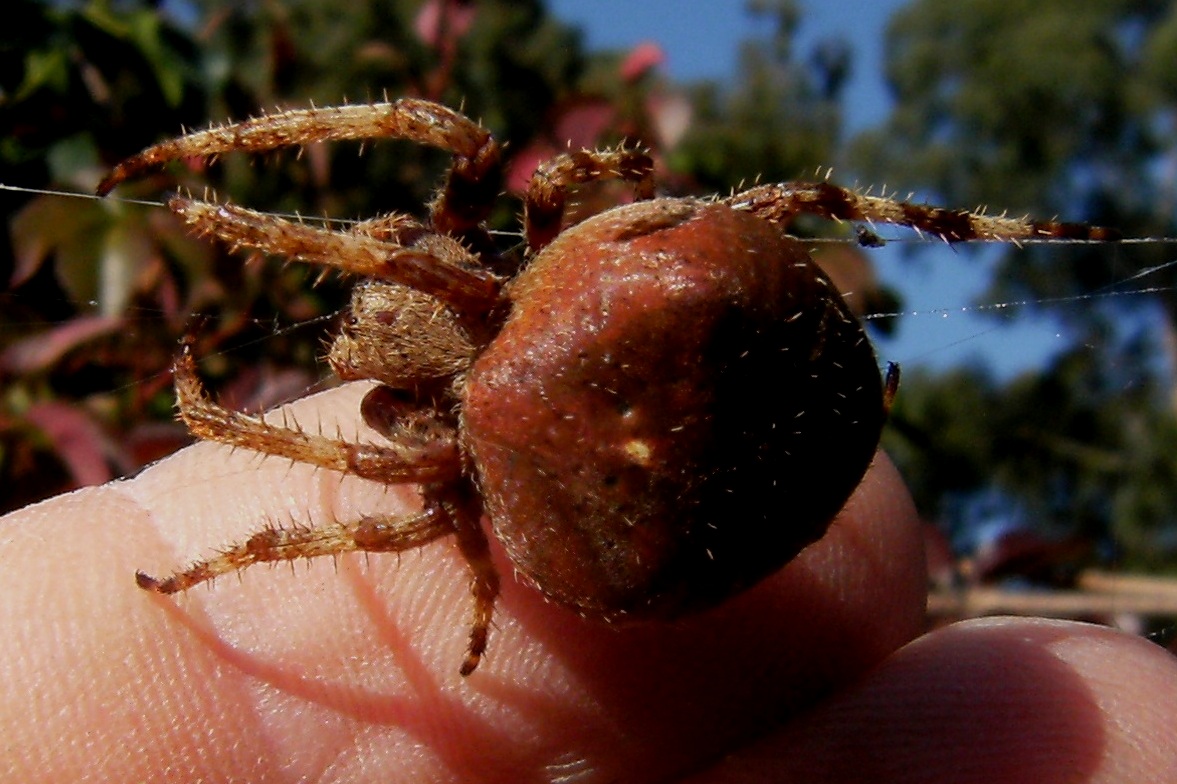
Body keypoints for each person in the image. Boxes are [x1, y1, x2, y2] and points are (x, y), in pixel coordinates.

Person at [2, 381, 1175, 782]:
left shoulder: (454, 474)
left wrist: (211, 528)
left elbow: (344, 499)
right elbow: (376, 514)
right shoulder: (455, 499)